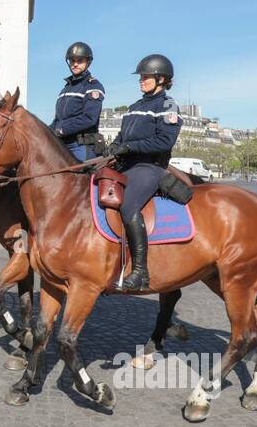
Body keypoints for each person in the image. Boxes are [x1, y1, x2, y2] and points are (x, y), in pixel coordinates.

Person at [103, 53, 182, 291]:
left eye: (146, 76)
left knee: (127, 205)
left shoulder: (167, 106)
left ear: (161, 79)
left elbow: (164, 141)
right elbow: (122, 136)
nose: (142, 80)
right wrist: (114, 147)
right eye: (141, 76)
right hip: (126, 164)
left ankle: (140, 272)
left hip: (149, 166)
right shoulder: (135, 107)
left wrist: (130, 147)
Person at [51, 42, 106, 161]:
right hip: (61, 142)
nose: (75, 64)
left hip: (80, 145)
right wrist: (47, 131)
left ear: (88, 62)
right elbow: (58, 119)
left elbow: (89, 118)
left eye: (80, 60)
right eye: (72, 61)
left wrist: (62, 130)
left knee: (78, 174)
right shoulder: (65, 89)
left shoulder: (93, 86)